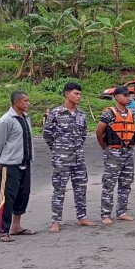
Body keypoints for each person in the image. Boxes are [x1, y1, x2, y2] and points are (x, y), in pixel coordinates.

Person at [44, 83, 96, 233]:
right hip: (61, 158)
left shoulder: (81, 114)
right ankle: (56, 221)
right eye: (76, 93)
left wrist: (76, 147)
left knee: (81, 188)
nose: (79, 96)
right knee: (59, 189)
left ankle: (82, 217)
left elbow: (83, 134)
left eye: (80, 94)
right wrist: (58, 149)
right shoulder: (56, 113)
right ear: (67, 94)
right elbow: (47, 135)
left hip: (78, 158)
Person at [0, 91, 35, 242]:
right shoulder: (5, 120)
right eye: (25, 101)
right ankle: (2, 230)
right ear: (16, 102)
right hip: (10, 165)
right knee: (6, 198)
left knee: (23, 195)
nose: (28, 103)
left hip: (25, 162)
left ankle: (16, 226)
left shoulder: (25, 118)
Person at [96, 86, 135, 225]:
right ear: (116, 97)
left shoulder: (131, 113)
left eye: (129, 95)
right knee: (109, 184)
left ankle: (122, 212)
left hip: (128, 152)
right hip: (113, 152)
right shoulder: (109, 113)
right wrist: (105, 148)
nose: (128, 97)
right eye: (125, 95)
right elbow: (99, 131)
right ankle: (105, 214)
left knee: (126, 183)